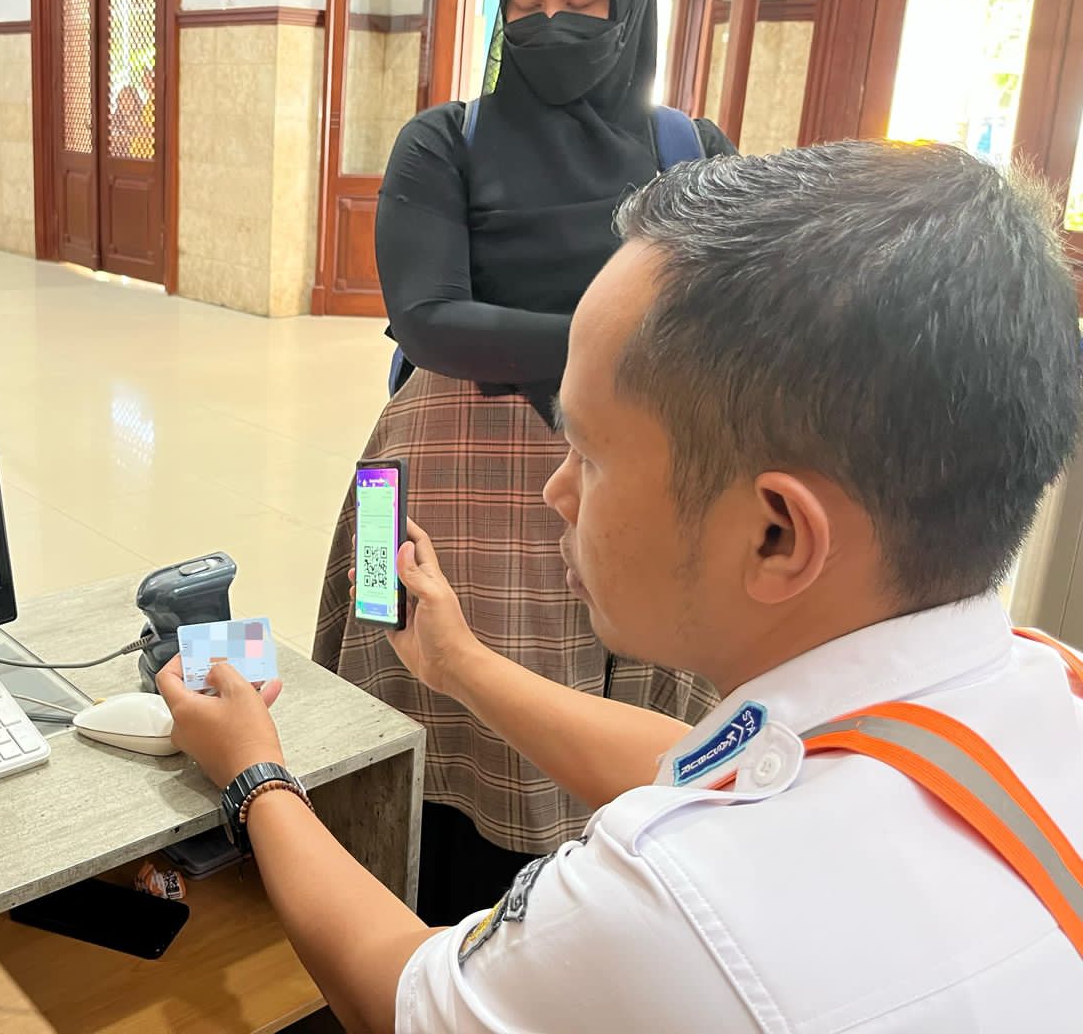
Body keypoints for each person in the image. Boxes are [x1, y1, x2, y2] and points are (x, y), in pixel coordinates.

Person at [167, 140, 1083, 1032]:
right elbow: (705, 761)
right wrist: (456, 662)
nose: (555, 491)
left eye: (588, 453)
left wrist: (255, 774)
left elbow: (399, 999)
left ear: (776, 534)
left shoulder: (678, 914)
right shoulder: (1041, 682)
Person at [315, 0, 733, 924]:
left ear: (631, 0)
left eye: (582, 0)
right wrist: (617, 345)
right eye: (526, 3)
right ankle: (389, 937)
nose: (552, 24)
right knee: (406, 685)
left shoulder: (691, 152)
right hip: (433, 474)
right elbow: (427, 320)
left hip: (630, 483)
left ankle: (578, 946)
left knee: (602, 736)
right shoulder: (443, 140)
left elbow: (731, 319)